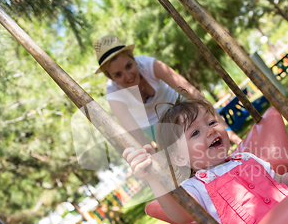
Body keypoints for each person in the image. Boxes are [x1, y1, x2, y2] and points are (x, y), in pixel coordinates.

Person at [123, 99, 288, 224]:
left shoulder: (246, 159)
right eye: (195, 132)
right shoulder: (194, 187)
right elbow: (180, 212)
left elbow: (281, 182)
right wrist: (153, 179)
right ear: (178, 157)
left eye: (212, 122)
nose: (210, 130)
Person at [93, 34, 242, 147]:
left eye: (129, 66)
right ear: (110, 77)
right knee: (186, 161)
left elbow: (192, 93)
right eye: (118, 74)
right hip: (153, 127)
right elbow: (136, 135)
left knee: (206, 140)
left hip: (178, 106)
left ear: (134, 60)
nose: (127, 76)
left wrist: (227, 129)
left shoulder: (148, 64)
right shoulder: (113, 94)